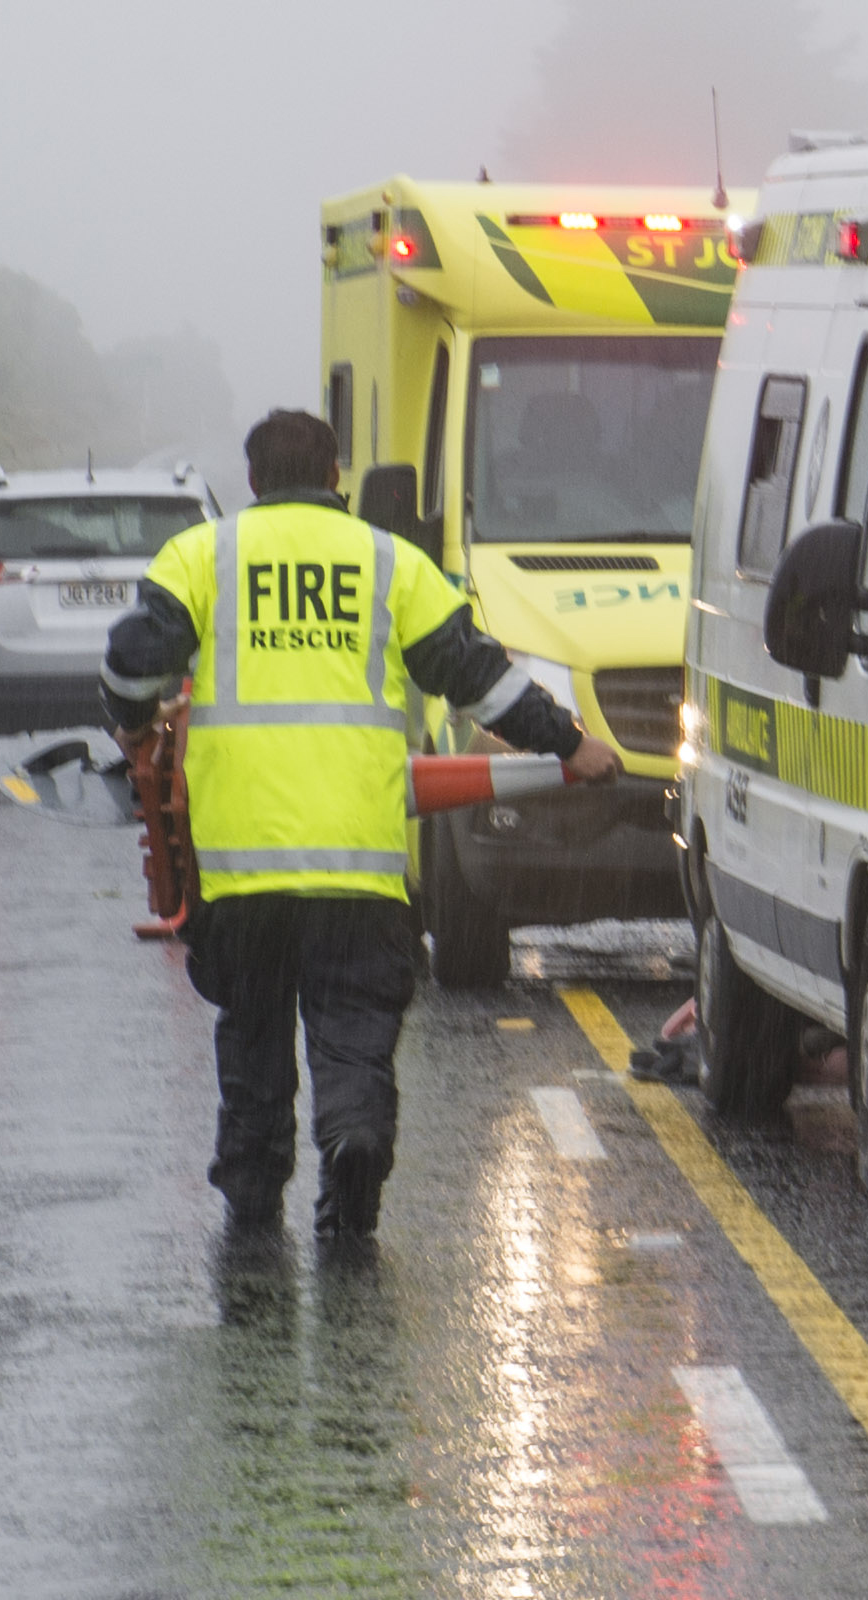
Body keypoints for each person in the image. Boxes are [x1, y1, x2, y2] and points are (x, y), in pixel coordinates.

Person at [104, 406, 613, 1242]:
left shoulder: (204, 555)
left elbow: (132, 659)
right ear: (336, 477)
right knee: (352, 1032)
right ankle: (354, 1139)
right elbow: (477, 678)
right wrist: (571, 744)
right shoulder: (388, 562)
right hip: (358, 869)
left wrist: (130, 726)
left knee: (255, 1035)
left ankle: (254, 1187)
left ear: (255, 481)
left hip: (243, 874)